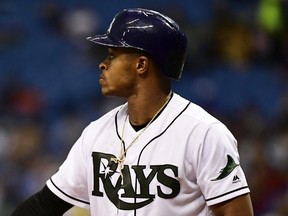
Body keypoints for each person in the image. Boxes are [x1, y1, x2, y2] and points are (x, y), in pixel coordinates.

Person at [12, 8, 254, 216]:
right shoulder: (96, 134)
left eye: (112, 55)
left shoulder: (204, 134)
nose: (102, 64)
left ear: (141, 65)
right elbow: (45, 206)